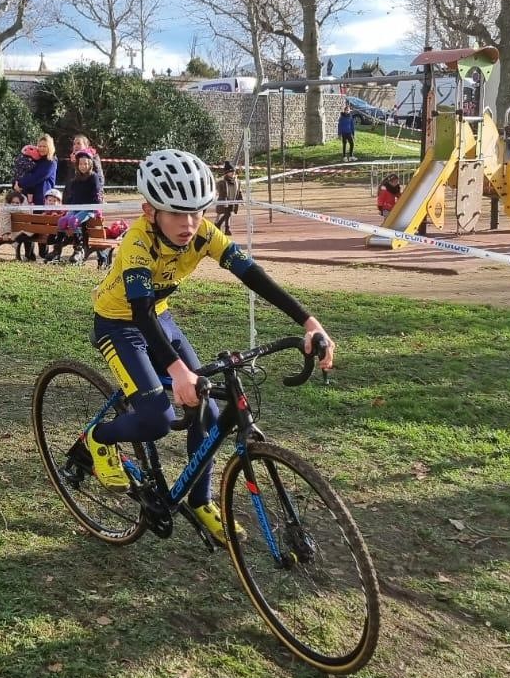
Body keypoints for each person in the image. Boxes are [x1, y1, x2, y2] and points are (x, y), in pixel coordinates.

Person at [68, 149, 336, 545]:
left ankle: (199, 500)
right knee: (157, 418)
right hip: (120, 323)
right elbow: (138, 312)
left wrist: (309, 323)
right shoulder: (137, 244)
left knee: (208, 413)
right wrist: (178, 371)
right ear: (149, 210)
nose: (189, 223)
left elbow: (253, 276)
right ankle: (98, 439)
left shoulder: (204, 233)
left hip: (159, 318)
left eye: (196, 212)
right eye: (176, 213)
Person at [59, 150, 105, 264]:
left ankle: (79, 250)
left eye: (85, 164)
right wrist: (66, 208)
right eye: (80, 164)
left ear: (90, 164)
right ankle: (57, 248)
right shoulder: (75, 180)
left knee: (74, 221)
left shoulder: (93, 177)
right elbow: (72, 197)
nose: (83, 166)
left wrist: (97, 208)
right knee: (62, 221)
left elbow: (97, 193)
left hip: (88, 209)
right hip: (76, 208)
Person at [13, 140, 57, 206]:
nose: (41, 148)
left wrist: (19, 183)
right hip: (26, 199)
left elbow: (36, 177)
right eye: (39, 146)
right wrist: (15, 183)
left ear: (50, 147)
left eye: (44, 146)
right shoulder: (34, 160)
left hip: (42, 200)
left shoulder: (51, 162)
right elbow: (21, 171)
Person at [0, 189, 37, 261]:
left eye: (17, 203)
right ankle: (28, 256)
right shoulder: (7, 211)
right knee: (29, 234)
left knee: (28, 234)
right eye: (13, 202)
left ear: (21, 203)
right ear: (9, 202)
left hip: (23, 232)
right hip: (20, 232)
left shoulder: (5, 210)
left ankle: (28, 255)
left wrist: (5, 233)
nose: (15, 204)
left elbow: (4, 221)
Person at [215, 162, 241, 234]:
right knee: (228, 214)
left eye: (233, 171)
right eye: (230, 171)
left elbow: (239, 191)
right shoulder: (222, 182)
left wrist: (240, 200)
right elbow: (220, 191)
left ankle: (219, 224)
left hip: (233, 201)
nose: (233, 173)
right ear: (226, 173)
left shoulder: (237, 181)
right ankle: (227, 229)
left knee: (228, 214)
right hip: (225, 201)